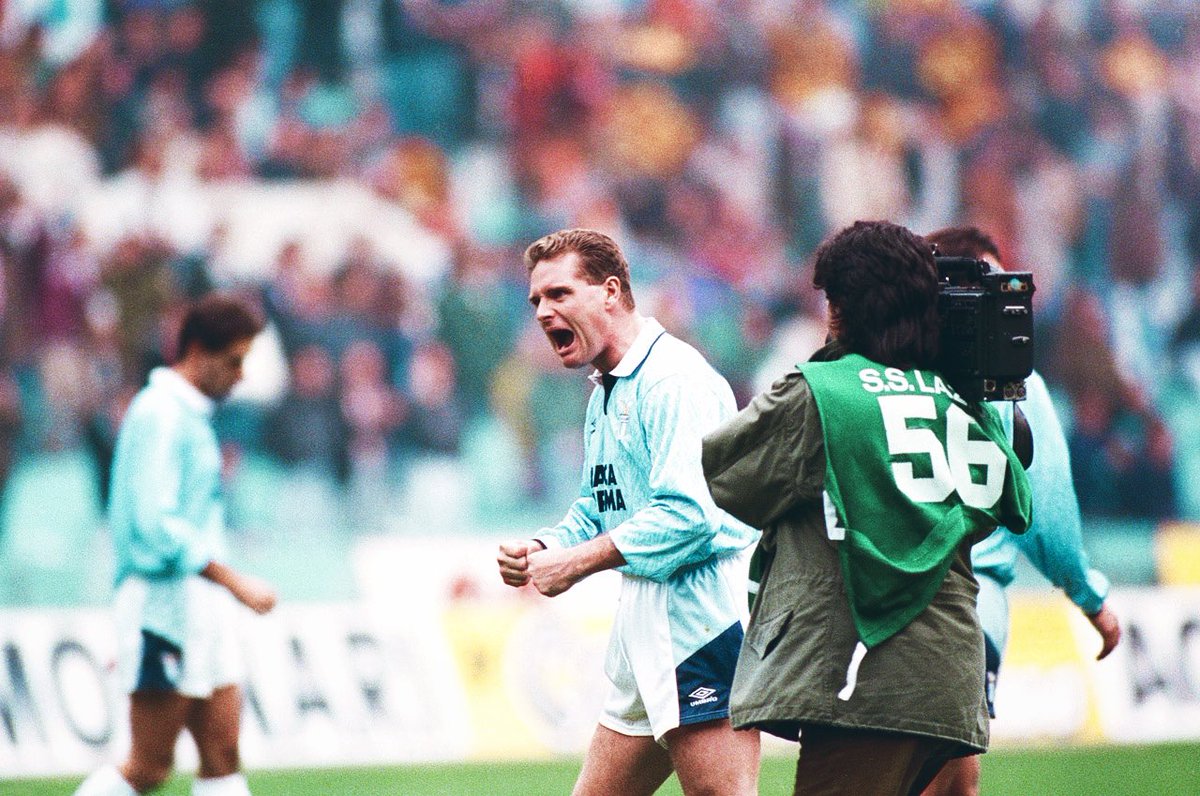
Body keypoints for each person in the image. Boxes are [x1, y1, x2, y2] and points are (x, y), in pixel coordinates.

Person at [701, 220, 1033, 796]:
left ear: (842, 309)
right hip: (954, 675)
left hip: (869, 678)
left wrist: (837, 361)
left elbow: (729, 479)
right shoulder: (964, 398)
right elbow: (1007, 502)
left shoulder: (820, 392)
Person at [496, 228, 761, 795]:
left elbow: (690, 516)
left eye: (560, 294)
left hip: (699, 618)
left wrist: (578, 564)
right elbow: (599, 503)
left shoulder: (674, 381)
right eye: (536, 300)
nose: (543, 312)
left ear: (611, 292)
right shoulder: (607, 390)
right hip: (643, 622)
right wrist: (546, 548)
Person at [919, 225, 1121, 796]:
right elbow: (1045, 512)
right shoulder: (1014, 380)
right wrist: (1089, 597)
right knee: (947, 780)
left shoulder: (879, 371)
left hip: (880, 604)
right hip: (970, 607)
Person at [75, 293, 278, 796]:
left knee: (222, 756)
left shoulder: (189, 416)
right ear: (198, 351)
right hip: (162, 607)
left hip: (200, 603)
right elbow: (153, 523)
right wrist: (233, 580)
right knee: (148, 767)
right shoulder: (159, 414)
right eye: (234, 361)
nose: (240, 376)